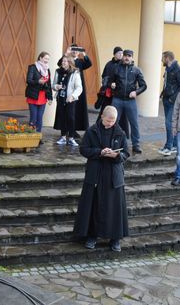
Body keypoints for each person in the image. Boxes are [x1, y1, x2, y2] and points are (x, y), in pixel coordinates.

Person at [72, 105, 130, 252]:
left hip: (113, 176)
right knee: (93, 206)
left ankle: (115, 239)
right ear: (102, 117)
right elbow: (83, 149)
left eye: (113, 121)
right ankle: (91, 236)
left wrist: (116, 155)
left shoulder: (120, 132)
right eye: (108, 121)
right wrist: (99, 152)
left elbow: (126, 153)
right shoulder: (92, 131)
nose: (110, 124)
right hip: (96, 174)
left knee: (114, 209)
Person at [110, 49, 147, 154]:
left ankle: (136, 144)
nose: (126, 58)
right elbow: (109, 80)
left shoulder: (136, 70)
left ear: (132, 58)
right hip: (117, 99)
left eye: (129, 56)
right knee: (113, 122)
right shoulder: (116, 68)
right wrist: (111, 84)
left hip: (130, 101)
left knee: (134, 123)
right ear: (123, 57)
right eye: (125, 55)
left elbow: (144, 86)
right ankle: (114, 143)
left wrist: (136, 92)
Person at [159, 51, 180, 156]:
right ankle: (174, 146)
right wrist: (163, 93)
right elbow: (168, 84)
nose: (161, 60)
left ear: (167, 58)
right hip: (167, 99)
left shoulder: (179, 70)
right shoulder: (168, 69)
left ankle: (168, 147)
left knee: (169, 123)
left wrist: (172, 99)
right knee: (171, 123)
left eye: (162, 58)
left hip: (173, 102)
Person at [97, 46, 129, 134]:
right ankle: (99, 129)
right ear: (114, 54)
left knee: (121, 114)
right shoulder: (109, 64)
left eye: (122, 53)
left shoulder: (124, 65)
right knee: (105, 110)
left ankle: (121, 132)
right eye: (119, 53)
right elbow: (104, 77)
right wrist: (109, 84)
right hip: (108, 93)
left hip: (119, 93)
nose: (121, 55)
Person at [52, 55, 83, 146]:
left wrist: (72, 96)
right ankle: (63, 137)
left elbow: (79, 88)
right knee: (62, 117)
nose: (63, 63)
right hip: (61, 98)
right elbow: (53, 85)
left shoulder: (75, 72)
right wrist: (56, 87)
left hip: (71, 99)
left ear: (69, 63)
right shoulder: (58, 71)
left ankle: (71, 138)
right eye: (62, 61)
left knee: (70, 118)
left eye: (65, 61)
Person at [63, 44, 92, 135]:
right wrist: (66, 53)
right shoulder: (67, 60)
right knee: (66, 110)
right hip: (67, 88)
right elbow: (60, 63)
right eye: (73, 50)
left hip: (77, 89)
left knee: (77, 110)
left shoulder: (80, 61)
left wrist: (84, 53)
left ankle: (74, 129)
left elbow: (89, 64)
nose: (75, 52)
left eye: (77, 50)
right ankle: (66, 129)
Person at [25, 51, 53, 134]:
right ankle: (31, 136)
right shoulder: (33, 67)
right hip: (33, 96)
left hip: (43, 97)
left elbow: (49, 84)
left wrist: (50, 97)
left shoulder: (47, 69)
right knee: (33, 118)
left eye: (48, 59)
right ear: (40, 58)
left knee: (40, 118)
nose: (47, 60)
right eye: (45, 58)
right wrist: (38, 81)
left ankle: (38, 136)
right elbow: (28, 80)